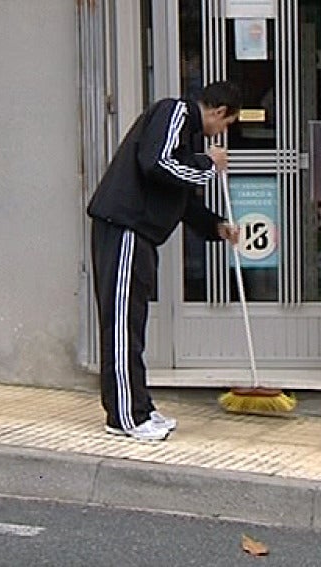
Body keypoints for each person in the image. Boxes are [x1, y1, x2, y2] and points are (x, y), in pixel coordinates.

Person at [87, 81, 243, 441]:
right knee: (123, 323)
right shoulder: (175, 111)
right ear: (218, 112)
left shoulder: (185, 136)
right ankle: (126, 417)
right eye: (226, 124)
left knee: (132, 321)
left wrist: (215, 226)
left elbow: (180, 197)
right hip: (126, 228)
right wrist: (207, 164)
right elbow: (156, 164)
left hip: (138, 234)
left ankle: (138, 407)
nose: (221, 134)